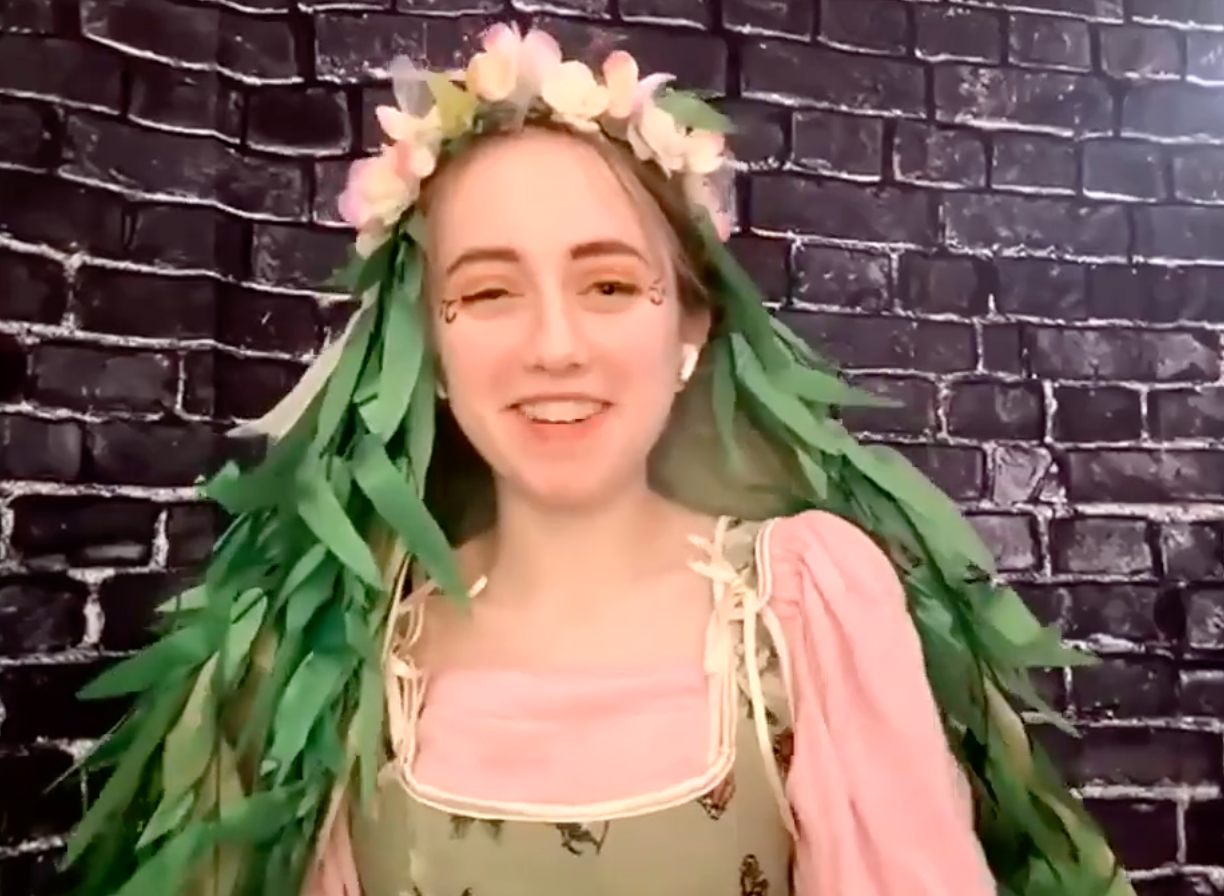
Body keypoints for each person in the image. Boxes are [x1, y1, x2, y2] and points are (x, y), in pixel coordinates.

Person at [63, 23, 1132, 896]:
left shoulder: (802, 611)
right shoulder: (353, 648)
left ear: (689, 331)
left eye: (610, 284)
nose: (555, 345)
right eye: (489, 291)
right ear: (432, 352)